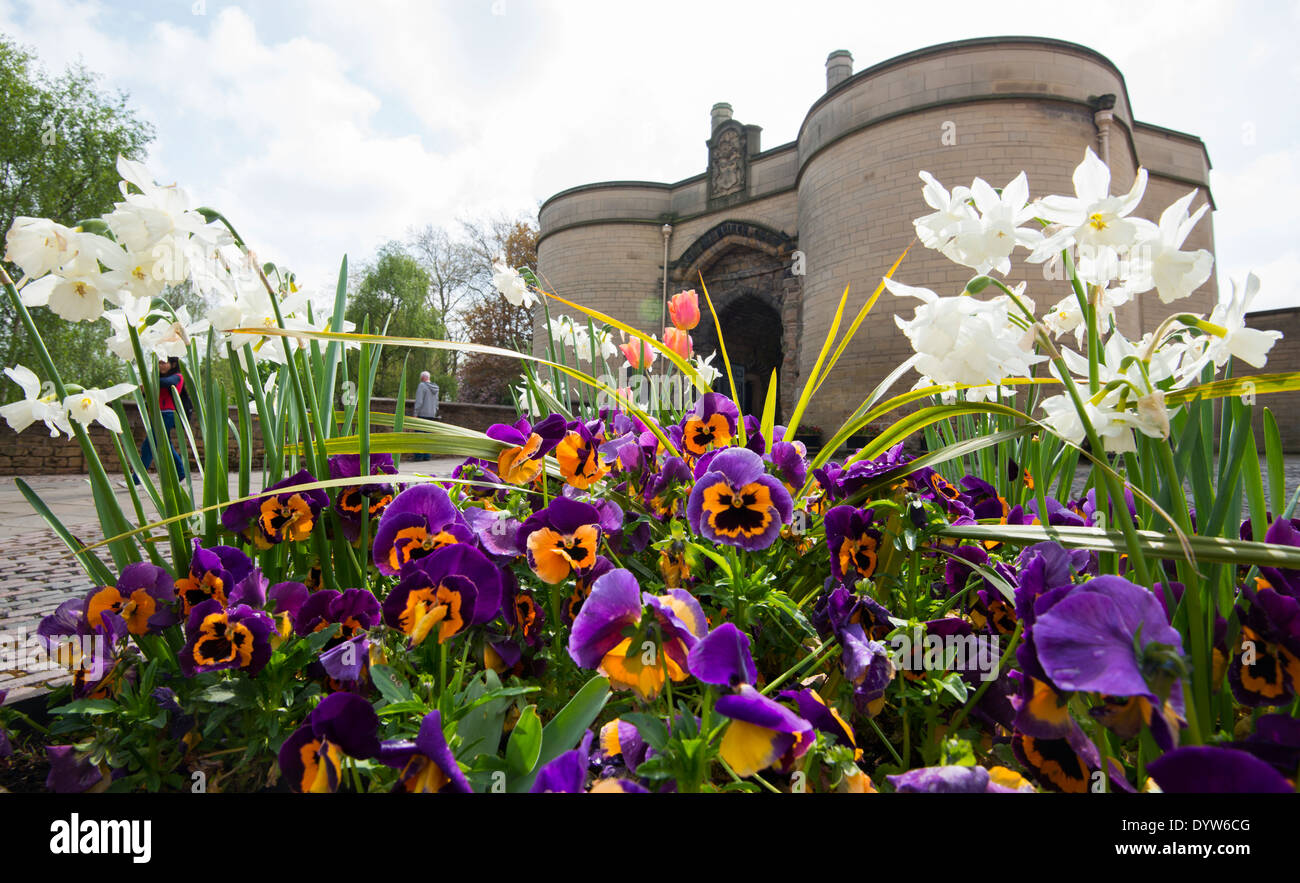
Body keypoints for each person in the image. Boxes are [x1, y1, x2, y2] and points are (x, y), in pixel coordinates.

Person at [135, 357, 192, 484]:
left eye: (164, 363)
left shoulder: (177, 377)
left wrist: (147, 383)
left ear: (172, 364)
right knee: (166, 445)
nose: (161, 366)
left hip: (168, 414)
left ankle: (136, 480)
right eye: (159, 363)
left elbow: (167, 383)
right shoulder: (157, 380)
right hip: (157, 414)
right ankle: (181, 473)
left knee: (149, 445)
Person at [411, 371, 440, 461]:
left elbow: (419, 401)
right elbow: (436, 402)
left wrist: (415, 413)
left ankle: (418, 457)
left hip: (422, 414)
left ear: (423, 377)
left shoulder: (422, 386)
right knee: (428, 437)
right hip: (431, 414)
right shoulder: (436, 387)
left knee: (419, 437)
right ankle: (427, 456)